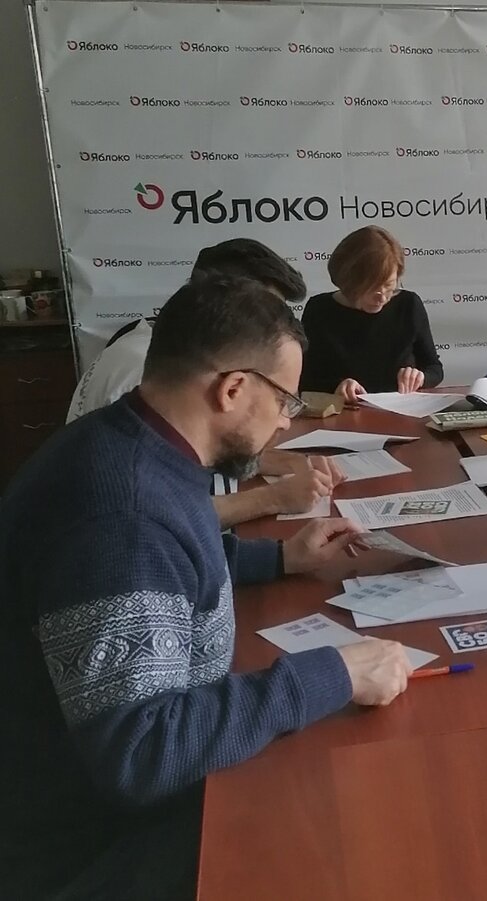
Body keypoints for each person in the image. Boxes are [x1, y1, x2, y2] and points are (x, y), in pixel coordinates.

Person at [0, 275, 413, 900]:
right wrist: (332, 675)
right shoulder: (122, 517)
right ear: (233, 388)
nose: (285, 423)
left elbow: (170, 566)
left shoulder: (137, 443)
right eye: (284, 400)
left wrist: (279, 558)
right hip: (95, 846)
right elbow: (141, 753)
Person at [66, 238, 345, 527]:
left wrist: (284, 462)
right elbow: (164, 511)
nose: (275, 326)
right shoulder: (153, 375)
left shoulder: (164, 348)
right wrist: (275, 498)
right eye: (263, 311)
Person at [300, 225, 444, 403]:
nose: (382, 297)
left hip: (401, 411)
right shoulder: (319, 309)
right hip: (345, 413)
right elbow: (305, 380)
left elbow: (434, 368)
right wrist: (336, 386)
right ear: (350, 281)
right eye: (373, 288)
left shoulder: (409, 305)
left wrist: (421, 377)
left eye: (389, 286)